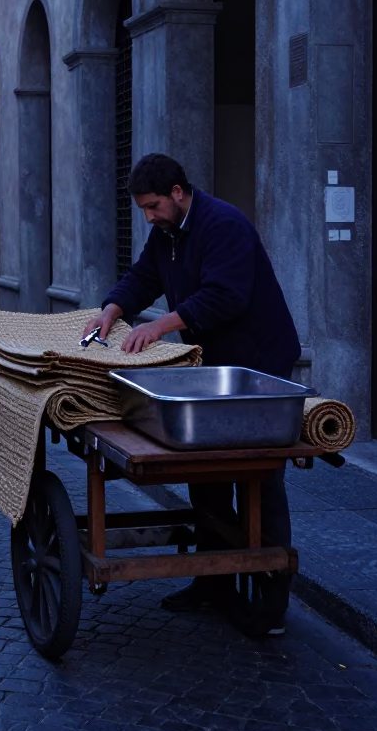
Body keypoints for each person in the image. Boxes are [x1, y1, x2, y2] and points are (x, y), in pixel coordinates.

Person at [84, 153, 301, 637]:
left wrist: (162, 324)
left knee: (259, 473)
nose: (149, 216)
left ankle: (270, 602)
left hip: (260, 362)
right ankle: (212, 582)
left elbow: (225, 295)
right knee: (206, 472)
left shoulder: (224, 224)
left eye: (154, 206)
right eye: (143, 209)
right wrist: (112, 309)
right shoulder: (166, 231)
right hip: (217, 362)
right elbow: (144, 275)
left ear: (178, 193)